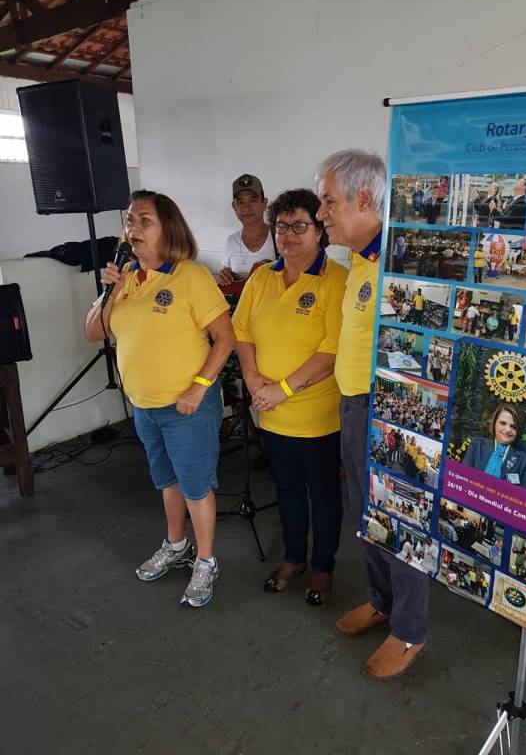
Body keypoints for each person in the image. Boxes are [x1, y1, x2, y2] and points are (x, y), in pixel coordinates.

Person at [85, 190, 235, 607]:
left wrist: (199, 387)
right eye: (130, 220)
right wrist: (110, 290)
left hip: (187, 407)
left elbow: (225, 338)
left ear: (168, 227)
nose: (133, 227)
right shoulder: (125, 276)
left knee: (195, 486)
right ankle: (176, 545)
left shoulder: (190, 276)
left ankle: (206, 560)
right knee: (166, 481)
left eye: (144, 220)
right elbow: (94, 332)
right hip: (144, 406)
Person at [316, 149, 429, 680]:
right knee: (364, 512)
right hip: (354, 404)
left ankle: (409, 630)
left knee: (399, 519)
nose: (321, 213)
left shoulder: (401, 264)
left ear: (364, 198)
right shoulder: (359, 261)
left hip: (388, 413)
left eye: (328, 201)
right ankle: (382, 601)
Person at [233, 188, 347, 605]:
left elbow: (331, 352)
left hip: (318, 418)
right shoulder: (262, 277)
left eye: (300, 225)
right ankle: (294, 557)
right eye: (282, 226)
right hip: (270, 413)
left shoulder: (337, 281)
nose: (289, 234)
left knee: (324, 493)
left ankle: (323, 566)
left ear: (319, 231)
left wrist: (280, 390)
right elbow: (241, 331)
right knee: (287, 489)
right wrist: (252, 380)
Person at [218, 174, 276, 285]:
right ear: (234, 207)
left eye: (252, 200)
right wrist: (225, 277)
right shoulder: (231, 241)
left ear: (264, 203)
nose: (246, 207)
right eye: (240, 202)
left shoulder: (280, 237)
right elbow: (227, 277)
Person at [462, 403, 526, 488]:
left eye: (513, 427)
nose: (508, 430)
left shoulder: (525, 462)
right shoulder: (476, 446)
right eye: (503, 423)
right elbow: (462, 480)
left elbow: (522, 495)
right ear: (494, 423)